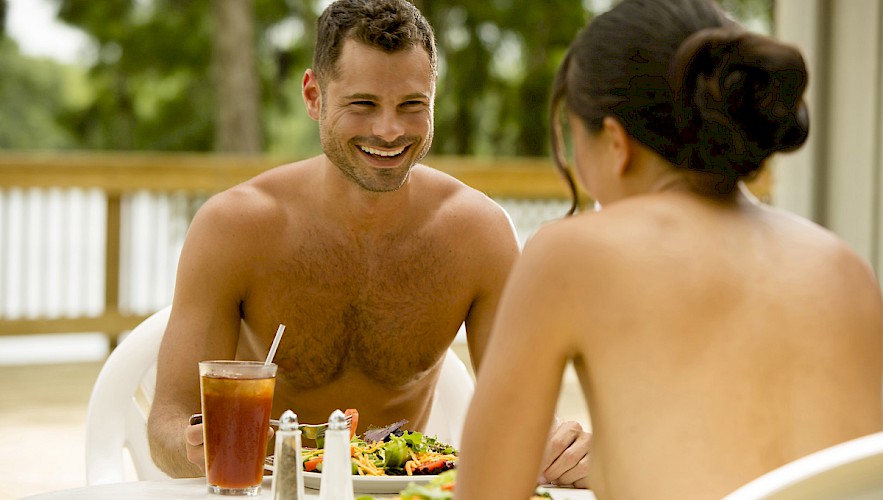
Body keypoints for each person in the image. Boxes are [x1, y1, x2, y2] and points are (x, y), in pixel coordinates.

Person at [146, 0, 591, 484]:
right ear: (314, 96)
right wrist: (196, 443)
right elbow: (167, 423)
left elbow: (523, 413)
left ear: (434, 99)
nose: (389, 130)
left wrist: (562, 450)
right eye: (363, 104)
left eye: (412, 105)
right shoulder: (234, 228)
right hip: (272, 490)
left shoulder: (478, 234)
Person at [454, 0, 883, 498]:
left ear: (615, 142)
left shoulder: (568, 255)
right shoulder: (840, 265)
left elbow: (487, 492)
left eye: (575, 142)